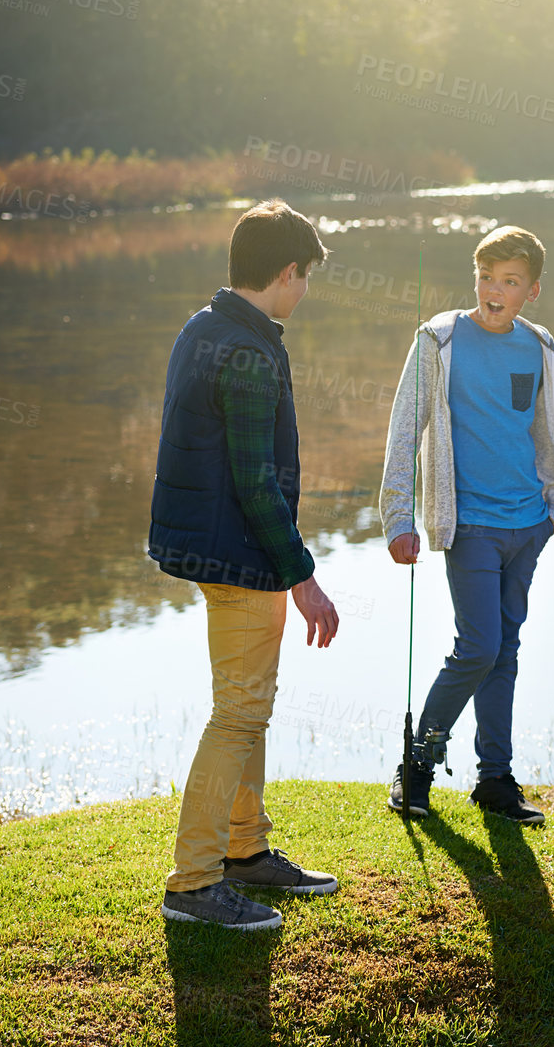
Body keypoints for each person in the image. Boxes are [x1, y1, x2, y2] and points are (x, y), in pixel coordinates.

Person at [151, 199, 343, 931]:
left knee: (247, 706)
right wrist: (305, 576)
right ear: (288, 272)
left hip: (220, 546)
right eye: (306, 278)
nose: (305, 292)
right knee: (237, 714)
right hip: (237, 551)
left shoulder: (206, 325)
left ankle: (245, 850)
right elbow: (255, 479)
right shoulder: (249, 351)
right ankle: (194, 883)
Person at [381, 225, 554, 825]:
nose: (495, 290)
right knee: (479, 646)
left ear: (532, 290)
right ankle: (417, 765)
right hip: (468, 525)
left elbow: (547, 431)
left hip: (528, 523)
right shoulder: (440, 340)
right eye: (486, 277)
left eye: (510, 281)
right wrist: (397, 517)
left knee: (506, 650)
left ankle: (495, 779)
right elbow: (404, 430)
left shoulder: (538, 344)